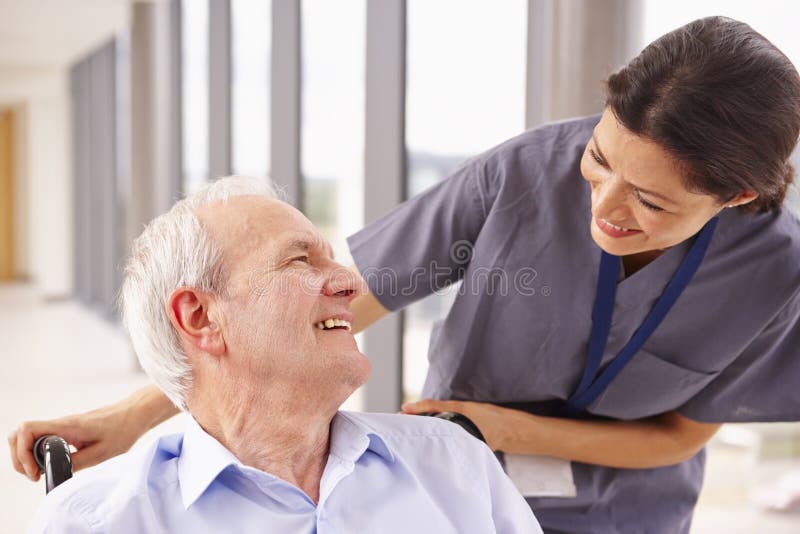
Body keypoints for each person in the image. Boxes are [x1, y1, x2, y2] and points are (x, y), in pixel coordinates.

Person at [9, 16, 800, 534]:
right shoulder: (525, 177)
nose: (606, 206)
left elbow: (676, 440)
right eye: (598, 161)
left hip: (624, 512)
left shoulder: (773, 275)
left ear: (736, 197)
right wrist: (132, 415)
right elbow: (333, 301)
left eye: (652, 201)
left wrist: (491, 432)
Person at [26, 177, 542, 533]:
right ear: (202, 318)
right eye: (300, 259)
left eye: (332, 259)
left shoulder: (453, 463)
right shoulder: (94, 523)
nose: (349, 284)